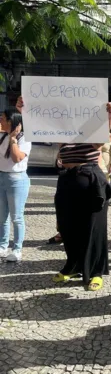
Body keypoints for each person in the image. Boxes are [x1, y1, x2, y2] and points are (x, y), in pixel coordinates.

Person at [16, 97, 111, 291]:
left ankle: (95, 272)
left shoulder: (91, 135)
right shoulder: (64, 136)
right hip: (67, 182)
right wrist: (24, 112)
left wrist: (108, 118)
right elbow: (40, 127)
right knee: (67, 227)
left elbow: (99, 141)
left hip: (91, 183)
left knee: (92, 228)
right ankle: (73, 265)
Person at [0, 109, 31, 262]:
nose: (1, 120)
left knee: (16, 217)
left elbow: (17, 158)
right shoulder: (2, 136)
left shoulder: (24, 138)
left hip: (16, 180)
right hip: (1, 177)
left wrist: (13, 139)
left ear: (12, 122)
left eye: (3, 118)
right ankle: (2, 245)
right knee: (2, 216)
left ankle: (17, 249)